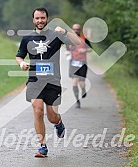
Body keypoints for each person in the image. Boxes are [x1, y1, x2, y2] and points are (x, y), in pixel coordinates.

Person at [15, 7, 81, 158]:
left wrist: (64, 32)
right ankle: (42, 146)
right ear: (33, 20)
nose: (40, 21)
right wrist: (21, 63)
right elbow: (19, 56)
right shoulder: (27, 38)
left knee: (52, 116)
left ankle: (58, 123)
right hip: (34, 80)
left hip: (53, 81)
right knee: (37, 110)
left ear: (47, 19)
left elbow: (78, 43)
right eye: (37, 18)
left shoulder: (56, 35)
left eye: (42, 18)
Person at [66, 24, 92, 108]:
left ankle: (83, 89)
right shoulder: (69, 39)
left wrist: (84, 49)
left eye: (77, 29)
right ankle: (77, 101)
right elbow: (67, 49)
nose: (76, 30)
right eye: (74, 29)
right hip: (73, 63)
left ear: (80, 30)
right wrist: (67, 54)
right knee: (74, 83)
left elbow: (90, 49)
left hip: (82, 63)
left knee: (81, 83)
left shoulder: (84, 39)